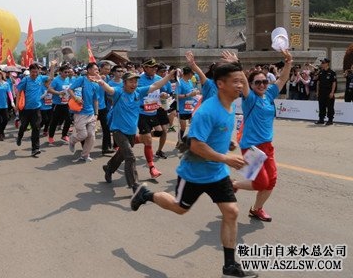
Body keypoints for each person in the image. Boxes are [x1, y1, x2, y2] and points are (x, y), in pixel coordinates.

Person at [130, 63, 258, 278]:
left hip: (217, 173)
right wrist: (226, 158)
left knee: (231, 212)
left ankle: (230, 266)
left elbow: (213, 136)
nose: (240, 85)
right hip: (194, 174)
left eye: (241, 81)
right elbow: (197, 145)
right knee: (180, 208)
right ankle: (146, 194)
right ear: (220, 84)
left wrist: (227, 144)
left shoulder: (230, 107)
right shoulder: (208, 111)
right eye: (236, 81)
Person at [233, 50, 293, 223]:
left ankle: (256, 209)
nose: (262, 85)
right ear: (251, 85)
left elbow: (282, 79)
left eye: (264, 81)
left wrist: (288, 62)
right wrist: (237, 64)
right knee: (261, 182)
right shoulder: (250, 98)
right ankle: (234, 184)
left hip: (267, 146)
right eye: (257, 82)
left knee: (271, 181)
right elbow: (243, 80)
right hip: (251, 147)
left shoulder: (269, 95)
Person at [93, 69, 176, 192]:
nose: (134, 84)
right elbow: (109, 90)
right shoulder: (119, 92)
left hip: (131, 131)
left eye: (136, 82)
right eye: (131, 81)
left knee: (122, 154)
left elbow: (156, 85)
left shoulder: (138, 92)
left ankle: (109, 168)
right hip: (118, 130)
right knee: (130, 156)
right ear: (124, 83)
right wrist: (101, 82)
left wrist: (169, 76)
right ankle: (135, 185)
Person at [15, 62, 55, 157]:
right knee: (24, 126)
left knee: (36, 128)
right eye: (33, 72)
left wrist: (52, 66)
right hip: (25, 109)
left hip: (36, 109)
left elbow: (51, 78)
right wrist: (16, 105)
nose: (34, 74)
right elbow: (18, 92)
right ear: (30, 71)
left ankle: (35, 149)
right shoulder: (25, 80)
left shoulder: (40, 78)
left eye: (36, 72)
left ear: (39, 71)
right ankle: (20, 136)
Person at [67, 62, 100, 162]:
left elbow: (95, 100)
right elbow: (70, 89)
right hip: (80, 113)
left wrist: (96, 113)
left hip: (91, 113)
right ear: (89, 70)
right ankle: (72, 140)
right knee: (83, 135)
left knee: (91, 136)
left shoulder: (96, 84)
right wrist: (75, 98)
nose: (97, 71)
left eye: (97, 69)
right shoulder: (81, 79)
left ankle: (85, 155)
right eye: (95, 69)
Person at [0, 70, 14, 140]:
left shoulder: (6, 84)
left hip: (4, 104)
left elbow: (9, 93)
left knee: (6, 119)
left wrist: (12, 101)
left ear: (2, 75)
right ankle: (0, 134)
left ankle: (1, 130)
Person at [315, 58, 337, 125]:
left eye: (323, 63)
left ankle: (330, 120)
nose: (322, 64)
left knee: (330, 107)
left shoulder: (332, 72)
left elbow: (334, 83)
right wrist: (317, 91)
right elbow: (318, 82)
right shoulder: (321, 72)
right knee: (321, 106)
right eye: (321, 63)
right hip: (321, 92)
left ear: (327, 63)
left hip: (328, 92)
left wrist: (332, 92)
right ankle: (321, 119)